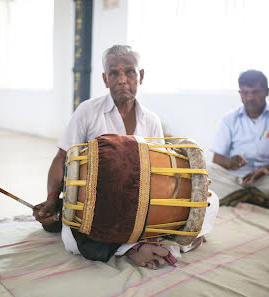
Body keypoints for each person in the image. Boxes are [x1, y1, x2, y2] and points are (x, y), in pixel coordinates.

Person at [33, 45, 219, 269]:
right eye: (114, 73)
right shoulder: (87, 111)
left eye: (129, 72)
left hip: (142, 207)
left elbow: (160, 175)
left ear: (140, 76)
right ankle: (154, 246)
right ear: (105, 79)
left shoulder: (151, 121)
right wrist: (53, 198)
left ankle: (139, 245)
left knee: (210, 200)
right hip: (99, 206)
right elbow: (62, 157)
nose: (122, 79)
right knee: (70, 238)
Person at [207, 70, 269, 211]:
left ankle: (236, 196)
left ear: (266, 92)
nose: (250, 97)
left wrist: (264, 170)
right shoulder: (229, 119)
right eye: (244, 93)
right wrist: (231, 163)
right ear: (240, 94)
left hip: (264, 178)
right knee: (203, 170)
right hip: (234, 178)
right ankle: (259, 199)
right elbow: (217, 159)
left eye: (255, 92)